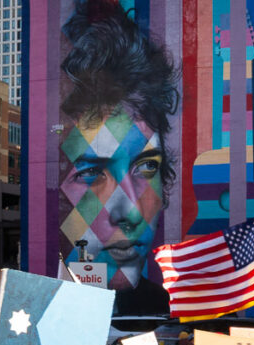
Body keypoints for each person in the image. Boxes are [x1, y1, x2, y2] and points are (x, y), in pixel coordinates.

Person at [58, 0, 178, 316]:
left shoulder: (163, 309)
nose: (131, 212)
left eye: (147, 166)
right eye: (92, 172)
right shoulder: (51, 311)